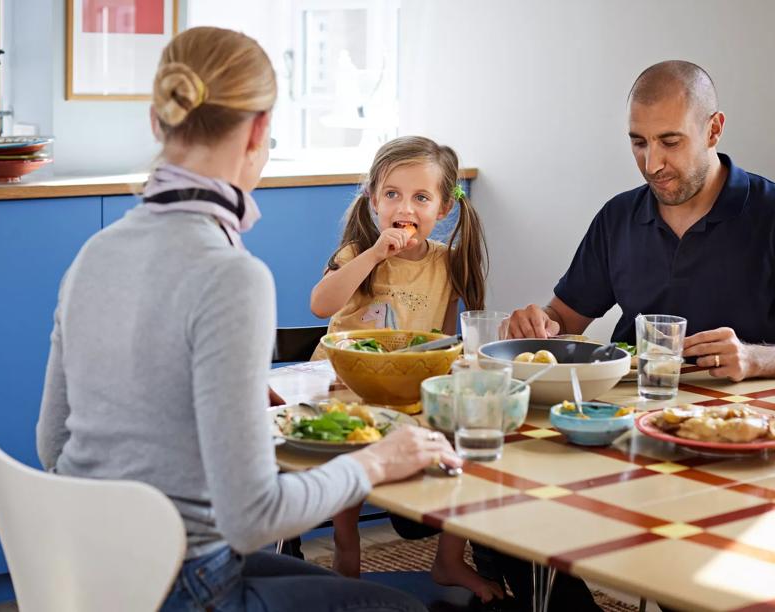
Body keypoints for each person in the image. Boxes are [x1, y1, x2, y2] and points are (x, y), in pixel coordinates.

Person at [35, 27, 462, 612]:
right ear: (260, 131)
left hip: (93, 570)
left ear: (158, 124)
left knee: (351, 589)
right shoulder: (231, 274)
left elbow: (53, 444)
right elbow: (251, 517)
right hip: (181, 584)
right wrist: (377, 461)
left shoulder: (94, 254)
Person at [508, 60, 775, 390]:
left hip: (742, 425)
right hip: (631, 414)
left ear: (713, 130)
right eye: (638, 142)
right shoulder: (617, 217)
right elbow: (564, 321)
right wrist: (539, 323)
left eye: (670, 141)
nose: (652, 165)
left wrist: (755, 358)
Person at [309, 136, 504, 602]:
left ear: (443, 208)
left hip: (405, 389)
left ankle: (450, 559)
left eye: (421, 197)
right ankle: (346, 553)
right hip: (345, 386)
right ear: (374, 199)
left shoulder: (448, 263)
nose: (405, 206)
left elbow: (440, 340)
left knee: (467, 438)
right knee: (352, 453)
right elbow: (320, 305)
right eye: (393, 194)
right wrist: (376, 253)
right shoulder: (357, 255)